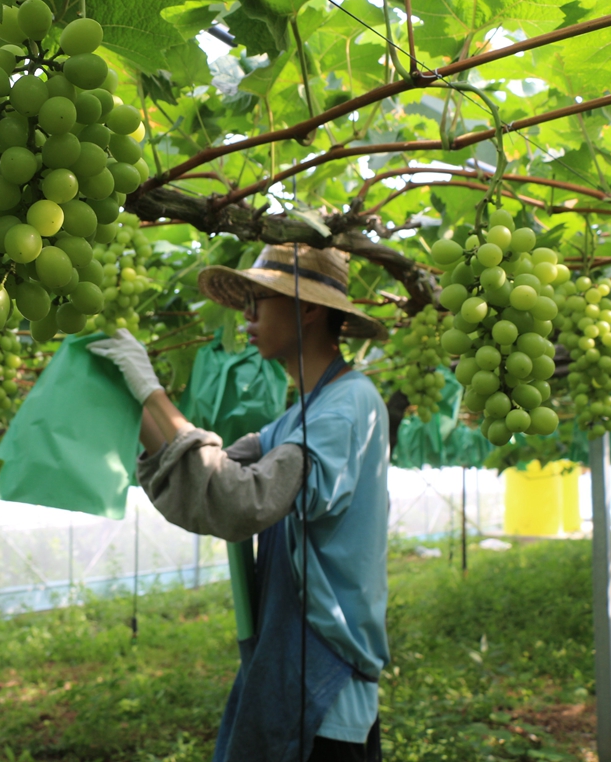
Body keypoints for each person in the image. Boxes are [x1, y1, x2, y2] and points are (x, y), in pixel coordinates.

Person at [89, 244, 390, 762]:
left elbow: (242, 500)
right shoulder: (303, 414)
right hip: (293, 666)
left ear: (310, 308)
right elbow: (213, 478)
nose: (246, 316)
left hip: (325, 688)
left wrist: (151, 390)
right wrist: (132, 395)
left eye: (260, 300)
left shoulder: (346, 407)